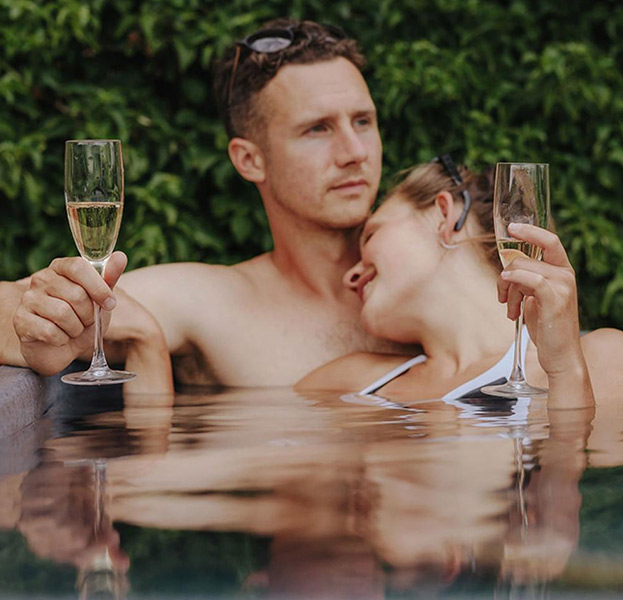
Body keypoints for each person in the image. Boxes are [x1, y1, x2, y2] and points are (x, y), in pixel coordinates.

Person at [0, 19, 402, 389]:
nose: (354, 151)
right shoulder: (215, 304)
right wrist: (43, 319)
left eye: (363, 122)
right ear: (249, 159)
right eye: (318, 129)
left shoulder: (434, 266)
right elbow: (10, 304)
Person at [297, 161, 623, 405]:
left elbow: (588, 501)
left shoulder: (598, 359)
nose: (351, 275)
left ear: (443, 215)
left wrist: (563, 370)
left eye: (370, 236)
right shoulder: (346, 380)